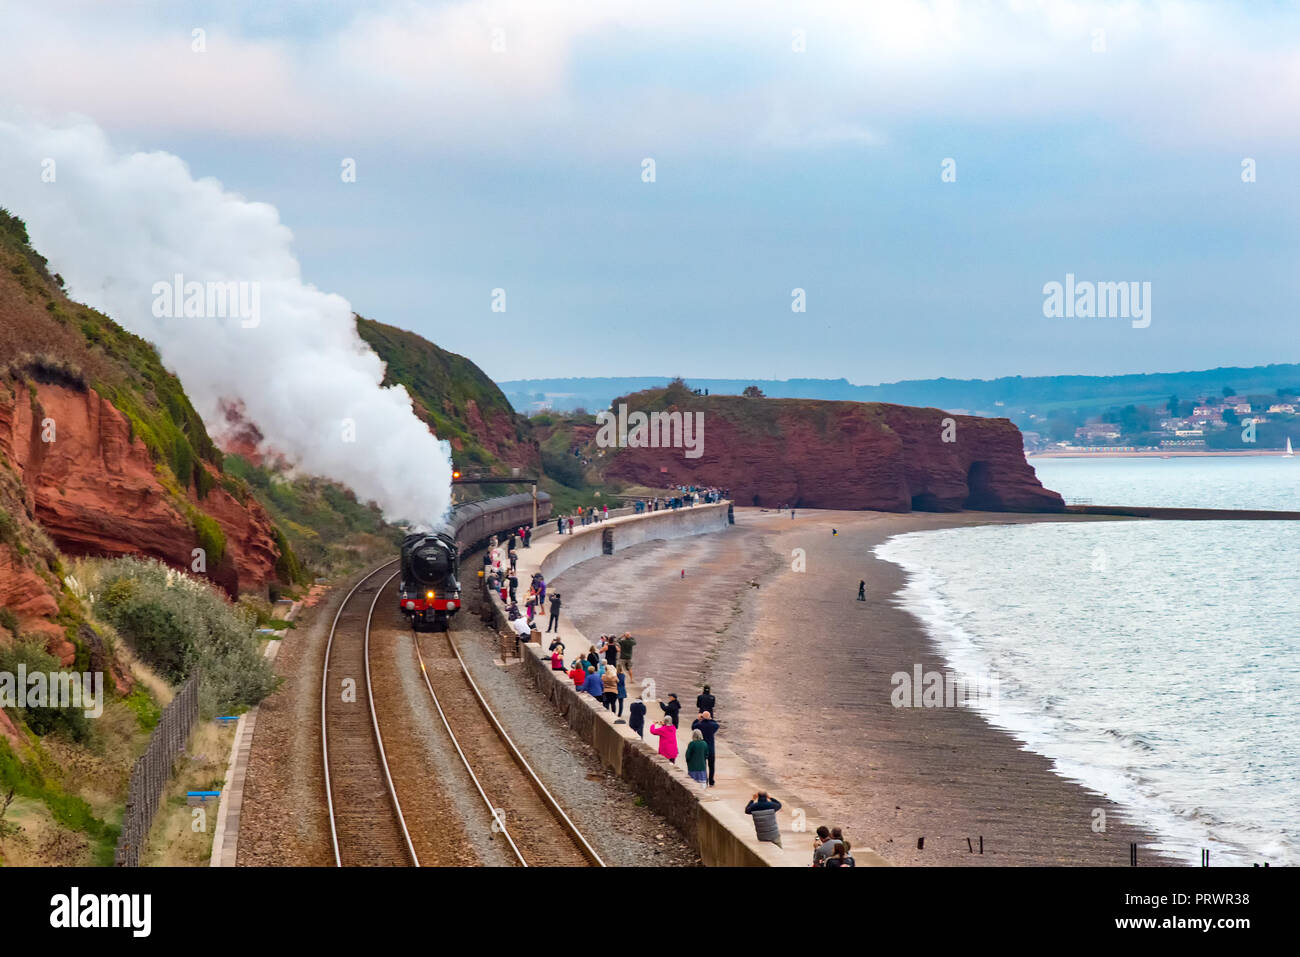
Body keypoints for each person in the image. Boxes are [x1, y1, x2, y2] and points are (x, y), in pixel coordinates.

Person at [691, 711, 720, 786]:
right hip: (711, 748)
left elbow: (693, 727)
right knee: (711, 765)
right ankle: (711, 781)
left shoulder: (699, 725)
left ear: (702, 717)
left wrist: (698, 719)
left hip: (702, 748)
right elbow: (717, 725)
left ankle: (705, 779)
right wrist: (710, 719)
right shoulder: (713, 725)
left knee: (703, 765)